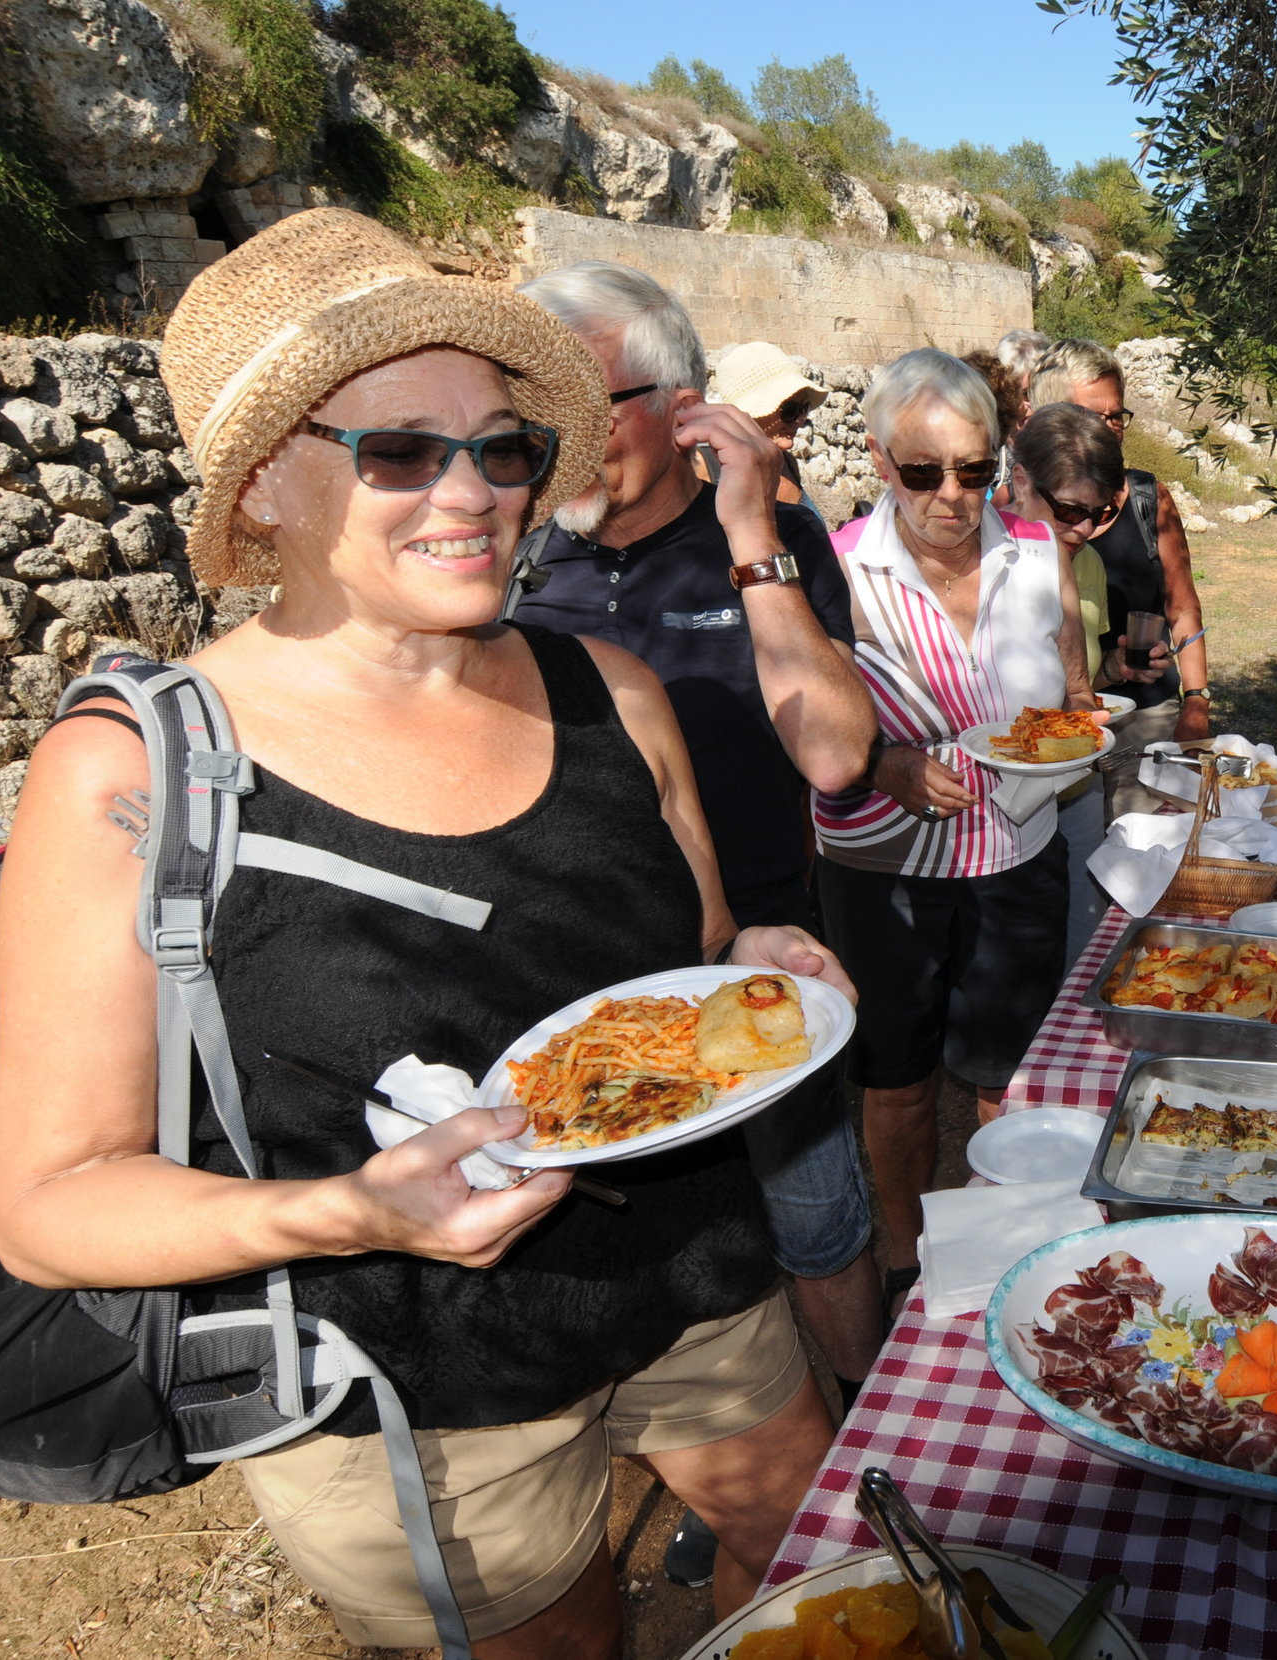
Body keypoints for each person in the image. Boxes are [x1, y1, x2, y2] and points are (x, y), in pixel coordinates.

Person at [0, 208, 844, 1656]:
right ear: (265, 488)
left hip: (700, 1280)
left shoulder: (614, 691)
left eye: (504, 446)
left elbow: (682, 973)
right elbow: (50, 1201)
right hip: (405, 1382)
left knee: (820, 1567)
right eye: (401, 449)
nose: (480, 491)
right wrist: (360, 1213)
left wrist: (748, 979)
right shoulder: (136, 775)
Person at [507, 264, 883, 1589]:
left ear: (678, 407)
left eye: (580, 398)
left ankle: (860, 1452)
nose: (547, 431)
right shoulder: (518, 571)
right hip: (591, 1011)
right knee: (645, 1276)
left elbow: (837, 757)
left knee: (820, 1237)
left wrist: (752, 530)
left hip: (762, 981)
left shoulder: (771, 543)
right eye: (526, 399)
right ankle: (715, 1466)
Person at [813, 350, 1099, 1287]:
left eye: (974, 471)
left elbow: (1073, 681)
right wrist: (885, 763)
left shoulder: (1038, 554)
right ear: (878, 460)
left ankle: (1003, 1248)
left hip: (1017, 852)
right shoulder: (836, 573)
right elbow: (804, 721)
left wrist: (1081, 724)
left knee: (1002, 1075)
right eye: (923, 471)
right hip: (883, 867)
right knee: (897, 1086)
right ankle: (907, 1257)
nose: (950, 496)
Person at [1011, 401, 1175, 960]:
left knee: (1083, 937)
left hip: (1075, 786)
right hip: (1002, 797)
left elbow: (1078, 677)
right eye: (1069, 511)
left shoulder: (1087, 564)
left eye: (1100, 515)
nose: (1085, 529)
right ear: (1019, 481)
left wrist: (1118, 671)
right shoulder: (980, 561)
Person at [1029, 339, 1214, 806]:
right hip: (1053, 720)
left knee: (1145, 845)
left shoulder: (1151, 498)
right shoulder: (1013, 516)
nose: (1111, 429)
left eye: (1117, 415)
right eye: (1095, 416)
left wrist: (1195, 701)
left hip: (1146, 714)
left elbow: (1182, 604)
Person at [710, 338, 829, 519]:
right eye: (790, 410)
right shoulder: (710, 470)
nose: (798, 421)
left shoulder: (787, 463)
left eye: (803, 409)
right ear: (750, 413)